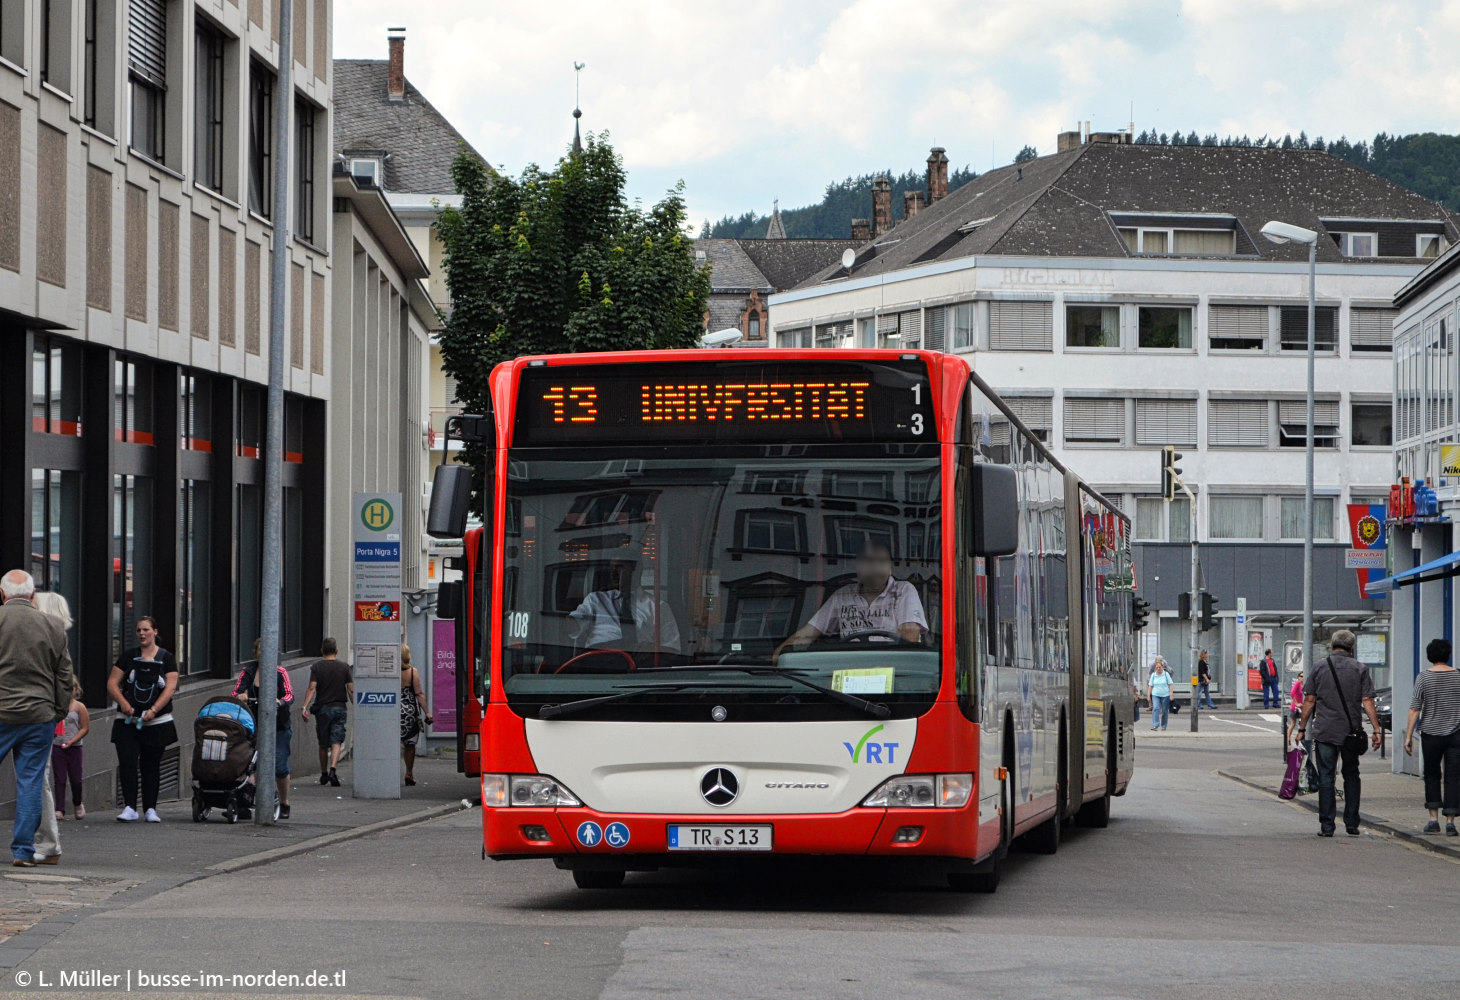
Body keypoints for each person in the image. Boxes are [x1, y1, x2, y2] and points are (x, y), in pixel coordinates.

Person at [0, 570, 73, 867]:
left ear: (3, 595)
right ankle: (22, 851)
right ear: (32, 595)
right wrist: (58, 710)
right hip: (38, 714)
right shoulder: (53, 625)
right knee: (30, 783)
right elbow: (64, 676)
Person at [774, 543, 927, 661]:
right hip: (849, 668)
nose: (875, 566)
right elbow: (808, 634)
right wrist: (780, 655)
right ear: (857, 566)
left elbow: (909, 639)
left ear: (890, 567)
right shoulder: (843, 595)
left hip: (891, 670)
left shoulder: (903, 590)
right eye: (868, 561)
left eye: (882, 561)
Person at [1296, 630, 1382, 837]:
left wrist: (1301, 728)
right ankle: (1352, 823)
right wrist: (1376, 729)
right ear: (1352, 648)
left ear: (1332, 645)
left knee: (1326, 776)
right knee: (1351, 775)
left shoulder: (1319, 667)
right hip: (1351, 733)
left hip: (1325, 731)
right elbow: (1367, 701)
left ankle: (1327, 826)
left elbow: (1309, 700)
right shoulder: (1360, 668)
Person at [107, 615, 178, 824]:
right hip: (127, 721)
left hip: (156, 723)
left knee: (151, 765)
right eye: (138, 630)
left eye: (146, 630)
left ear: (155, 631)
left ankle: (150, 809)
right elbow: (112, 683)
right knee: (127, 762)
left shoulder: (167, 658)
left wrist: (154, 710)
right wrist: (124, 703)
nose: (142, 634)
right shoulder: (128, 657)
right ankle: (129, 807)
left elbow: (171, 687)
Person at [31, 592, 75, 864]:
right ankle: (47, 843)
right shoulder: (57, 639)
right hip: (46, 714)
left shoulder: (48, 639)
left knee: (39, 778)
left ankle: (47, 842)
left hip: (38, 715)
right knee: (39, 778)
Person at [568, 561, 682, 662]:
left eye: (619, 567)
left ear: (637, 571)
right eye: (612, 568)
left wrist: (653, 648)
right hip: (599, 664)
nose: (613, 573)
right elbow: (572, 625)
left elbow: (673, 650)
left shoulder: (658, 606)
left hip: (640, 665)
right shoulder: (595, 600)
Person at [1402, 638, 1460, 836]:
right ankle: (1451, 822)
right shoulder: (1458, 677)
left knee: (1432, 775)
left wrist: (1408, 736)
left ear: (1430, 656)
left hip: (1430, 734)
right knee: (1453, 777)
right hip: (1455, 734)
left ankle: (1433, 820)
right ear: (1448, 655)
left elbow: (1414, 709)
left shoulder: (1423, 678)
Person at [233, 639, 294, 819]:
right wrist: (241, 695)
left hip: (278, 726)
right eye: (260, 649)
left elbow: (289, 695)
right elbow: (235, 692)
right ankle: (246, 801)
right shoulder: (248, 672)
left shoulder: (280, 672)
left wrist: (280, 701)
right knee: (249, 764)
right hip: (253, 725)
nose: (263, 652)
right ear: (256, 652)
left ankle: (284, 803)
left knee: (280, 765)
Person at [301, 638, 352, 788]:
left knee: (323, 743)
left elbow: (312, 687)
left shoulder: (317, 667)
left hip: (323, 709)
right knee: (336, 740)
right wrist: (355, 701)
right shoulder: (344, 667)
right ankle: (333, 769)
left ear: (322, 651)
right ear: (336, 651)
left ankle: (323, 773)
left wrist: (305, 706)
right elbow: (350, 688)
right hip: (339, 707)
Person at [52, 677, 88, 822]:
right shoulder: (56, 706)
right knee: (59, 779)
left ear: (76, 690)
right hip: (57, 745)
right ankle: (59, 808)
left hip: (74, 747)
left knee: (76, 779)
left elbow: (85, 728)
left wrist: (72, 741)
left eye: (70, 688)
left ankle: (78, 803)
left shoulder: (79, 707)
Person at [400, 644, 432, 786]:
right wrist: (427, 712)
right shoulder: (413, 672)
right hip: (409, 713)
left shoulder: (391, 671)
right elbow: (419, 693)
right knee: (410, 744)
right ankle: (409, 772)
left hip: (393, 711)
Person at [1147, 656, 1173, 731]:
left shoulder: (1166, 674)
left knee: (1164, 711)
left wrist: (1171, 694)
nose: (1158, 669)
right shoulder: (1153, 675)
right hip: (1155, 694)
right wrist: (1149, 695)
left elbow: (1170, 684)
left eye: (1160, 667)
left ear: (1163, 667)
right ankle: (1155, 724)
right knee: (1156, 708)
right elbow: (1150, 686)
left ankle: (1164, 726)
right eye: (1157, 667)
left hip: (1165, 695)